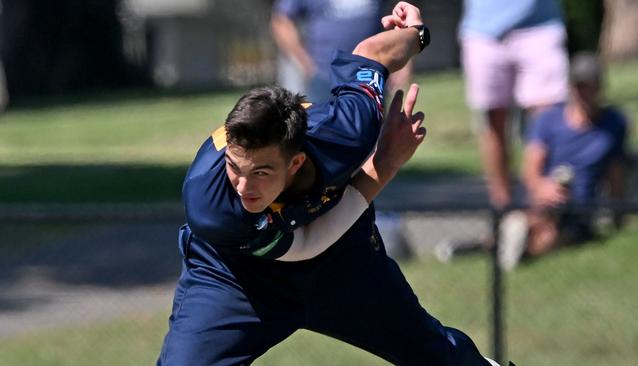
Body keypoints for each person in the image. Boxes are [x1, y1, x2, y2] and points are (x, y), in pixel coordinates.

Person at [158, 2, 497, 365]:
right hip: (236, 276)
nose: (243, 186)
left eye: (261, 173)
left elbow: (372, 54)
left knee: (438, 357)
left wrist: (414, 34)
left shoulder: (346, 131)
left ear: (296, 163)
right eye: (235, 168)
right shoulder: (211, 201)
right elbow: (304, 244)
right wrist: (384, 165)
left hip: (341, 261)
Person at [498, 52, 628, 270]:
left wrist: (618, 213)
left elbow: (616, 171)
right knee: (537, 221)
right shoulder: (548, 120)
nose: (584, 93)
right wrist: (543, 188)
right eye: (579, 86)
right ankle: (513, 237)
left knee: (550, 238)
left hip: (580, 208)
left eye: (590, 86)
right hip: (545, 201)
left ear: (600, 87)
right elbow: (530, 169)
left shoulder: (613, 123)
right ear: (571, 87)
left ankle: (514, 248)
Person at [459, 0, 570, 209]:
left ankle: (543, 213)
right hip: (483, 29)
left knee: (548, 121)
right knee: (493, 124)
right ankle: (503, 212)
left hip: (540, 25)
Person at [270, 0, 412, 103]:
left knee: (375, 137)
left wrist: (405, 59)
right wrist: (305, 62)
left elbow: (402, 10)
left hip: (370, 75)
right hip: (324, 78)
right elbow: (281, 21)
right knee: (323, 137)